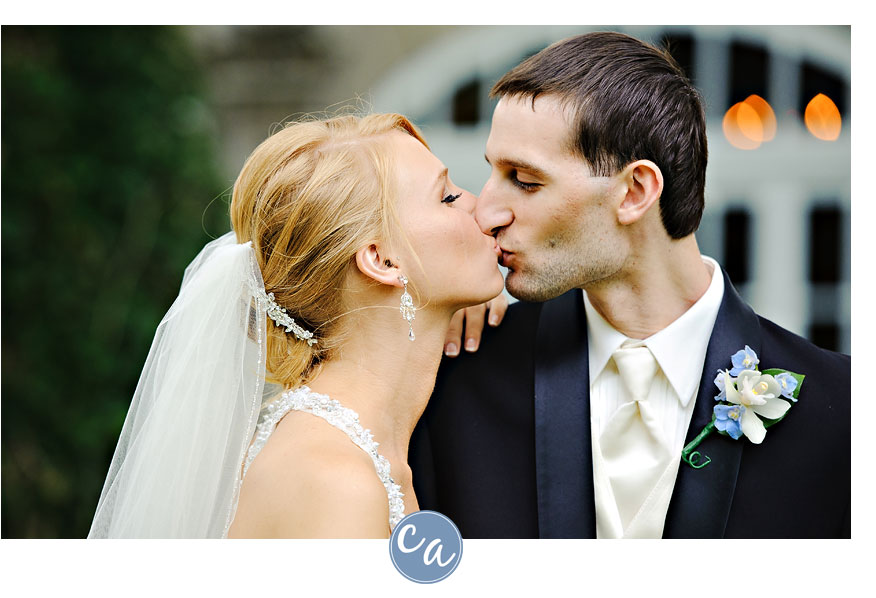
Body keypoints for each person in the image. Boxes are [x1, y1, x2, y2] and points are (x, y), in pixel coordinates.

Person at [410, 31, 851, 538]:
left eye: (525, 181)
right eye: (493, 172)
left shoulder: (844, 409)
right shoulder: (458, 375)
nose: (486, 213)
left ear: (635, 191)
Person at [88, 112, 505, 538]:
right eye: (447, 197)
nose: (482, 206)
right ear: (382, 260)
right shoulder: (337, 483)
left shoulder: (360, 452)